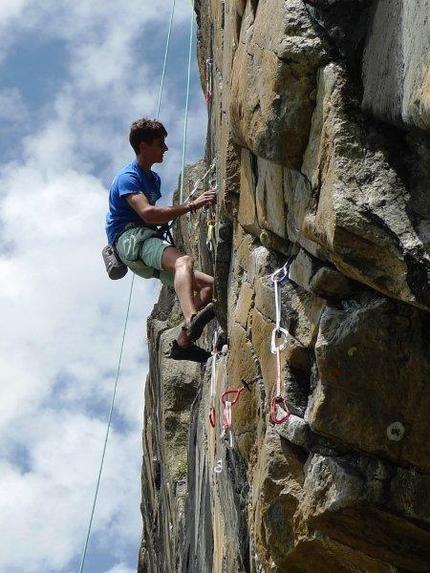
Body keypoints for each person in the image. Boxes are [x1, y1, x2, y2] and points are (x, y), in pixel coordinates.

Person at [106, 118, 216, 362]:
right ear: (144, 146)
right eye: (160, 143)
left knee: (209, 286)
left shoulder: (153, 179)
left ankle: (182, 343)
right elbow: (147, 213)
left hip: (142, 243)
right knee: (183, 262)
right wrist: (191, 205)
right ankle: (191, 318)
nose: (165, 148)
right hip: (132, 240)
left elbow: (150, 216)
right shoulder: (127, 178)